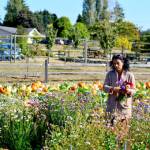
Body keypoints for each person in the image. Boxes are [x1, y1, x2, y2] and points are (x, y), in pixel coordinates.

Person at [103, 54, 136, 140]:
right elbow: (104, 87)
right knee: (109, 131)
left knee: (123, 133)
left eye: (118, 63)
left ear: (123, 63)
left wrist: (128, 91)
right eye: (114, 63)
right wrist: (113, 89)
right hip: (112, 106)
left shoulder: (129, 75)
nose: (115, 65)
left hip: (124, 107)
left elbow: (134, 90)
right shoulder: (110, 74)